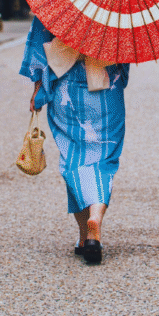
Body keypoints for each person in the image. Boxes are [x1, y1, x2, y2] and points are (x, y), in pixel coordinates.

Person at [19, 17, 130, 265]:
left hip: (65, 85)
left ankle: (84, 235)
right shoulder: (119, 2)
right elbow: (127, 48)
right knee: (104, 158)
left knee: (74, 157)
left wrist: (39, 86)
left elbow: (39, 46)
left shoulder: (57, 0)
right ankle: (94, 221)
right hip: (104, 82)